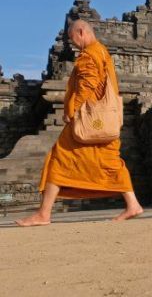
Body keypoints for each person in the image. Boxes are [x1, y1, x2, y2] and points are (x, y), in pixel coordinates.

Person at [16, 20, 143, 226]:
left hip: (89, 120)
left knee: (59, 157)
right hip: (104, 121)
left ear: (81, 32)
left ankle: (44, 214)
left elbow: (87, 85)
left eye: (72, 38)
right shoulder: (102, 51)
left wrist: (72, 109)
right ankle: (133, 204)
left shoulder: (90, 54)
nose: (72, 43)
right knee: (111, 161)